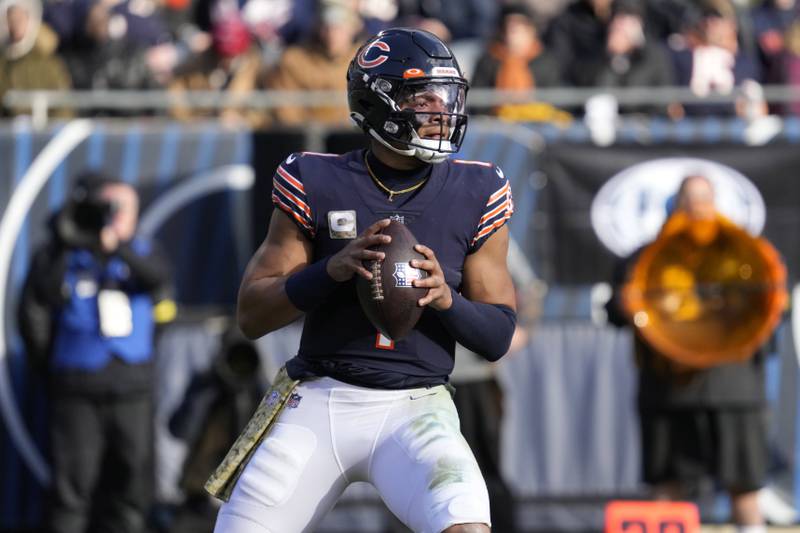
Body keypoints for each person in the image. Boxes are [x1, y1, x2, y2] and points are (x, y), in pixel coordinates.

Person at [206, 27, 517, 533]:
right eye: (424, 98)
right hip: (320, 397)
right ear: (379, 104)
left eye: (448, 97)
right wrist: (328, 271)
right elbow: (252, 314)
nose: (442, 111)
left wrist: (445, 300)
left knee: (465, 526)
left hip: (417, 407)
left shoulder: (477, 189)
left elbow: (499, 335)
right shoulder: (316, 179)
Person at [606, 175, 774, 533]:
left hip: (733, 390)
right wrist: (626, 303)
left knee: (744, 486)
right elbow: (615, 313)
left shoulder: (745, 252)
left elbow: (769, 308)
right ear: (675, 206)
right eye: (689, 199)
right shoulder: (643, 260)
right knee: (667, 488)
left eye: (705, 198)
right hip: (669, 391)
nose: (697, 207)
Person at [18, 174, 173, 533]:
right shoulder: (62, 253)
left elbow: (158, 279)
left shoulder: (143, 251)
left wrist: (116, 246)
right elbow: (37, 301)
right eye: (108, 209)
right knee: (70, 493)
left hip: (132, 386)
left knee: (131, 493)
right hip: (77, 388)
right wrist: (67, 239)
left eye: (123, 210)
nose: (116, 216)